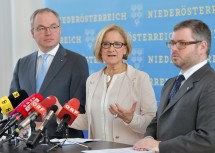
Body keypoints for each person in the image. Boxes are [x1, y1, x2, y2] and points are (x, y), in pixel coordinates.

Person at [133, 19, 215, 153]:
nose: (174, 48)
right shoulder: (171, 83)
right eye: (172, 43)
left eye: (182, 43)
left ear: (202, 46)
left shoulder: (211, 83)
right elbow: (158, 121)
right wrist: (148, 138)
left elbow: (209, 139)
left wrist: (159, 146)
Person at [68, 24, 157, 145]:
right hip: (97, 150)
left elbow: (152, 124)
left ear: (125, 48)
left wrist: (130, 119)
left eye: (117, 44)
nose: (111, 49)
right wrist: (60, 114)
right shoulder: (92, 80)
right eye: (106, 44)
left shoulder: (141, 78)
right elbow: (89, 120)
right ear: (100, 49)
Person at [9, 8, 89, 138]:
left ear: (60, 30)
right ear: (32, 32)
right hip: (27, 140)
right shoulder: (22, 63)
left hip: (63, 140)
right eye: (41, 28)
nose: (48, 32)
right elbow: (15, 105)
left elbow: (80, 106)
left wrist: (53, 119)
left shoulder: (76, 61)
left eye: (53, 27)